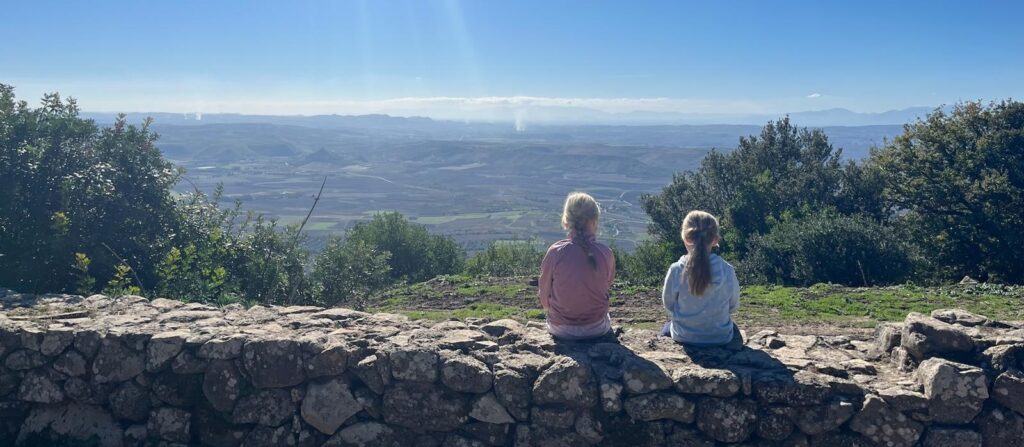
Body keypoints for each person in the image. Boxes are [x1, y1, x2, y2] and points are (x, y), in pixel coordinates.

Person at [537, 192, 616, 340]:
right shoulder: (606, 253)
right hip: (597, 328)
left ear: (566, 221)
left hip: (561, 329)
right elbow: (606, 286)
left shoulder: (556, 252)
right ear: (594, 221)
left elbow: (544, 298)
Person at [661, 210, 741, 346]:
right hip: (721, 337)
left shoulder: (676, 270)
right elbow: (733, 306)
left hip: (683, 336)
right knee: (735, 330)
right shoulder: (727, 270)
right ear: (715, 239)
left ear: (685, 237)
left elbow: (669, 305)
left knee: (664, 330)